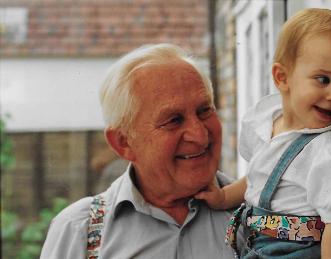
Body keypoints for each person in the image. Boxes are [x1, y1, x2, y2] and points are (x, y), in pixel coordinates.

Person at [195, 8, 331, 259]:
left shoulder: (330, 150)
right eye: (323, 79)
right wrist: (224, 196)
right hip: (258, 245)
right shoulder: (269, 123)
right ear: (282, 78)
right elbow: (260, 179)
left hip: (300, 252)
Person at [40, 44, 241, 258]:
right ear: (123, 142)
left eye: (204, 111)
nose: (200, 136)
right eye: (173, 120)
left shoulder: (260, 213)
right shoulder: (77, 231)